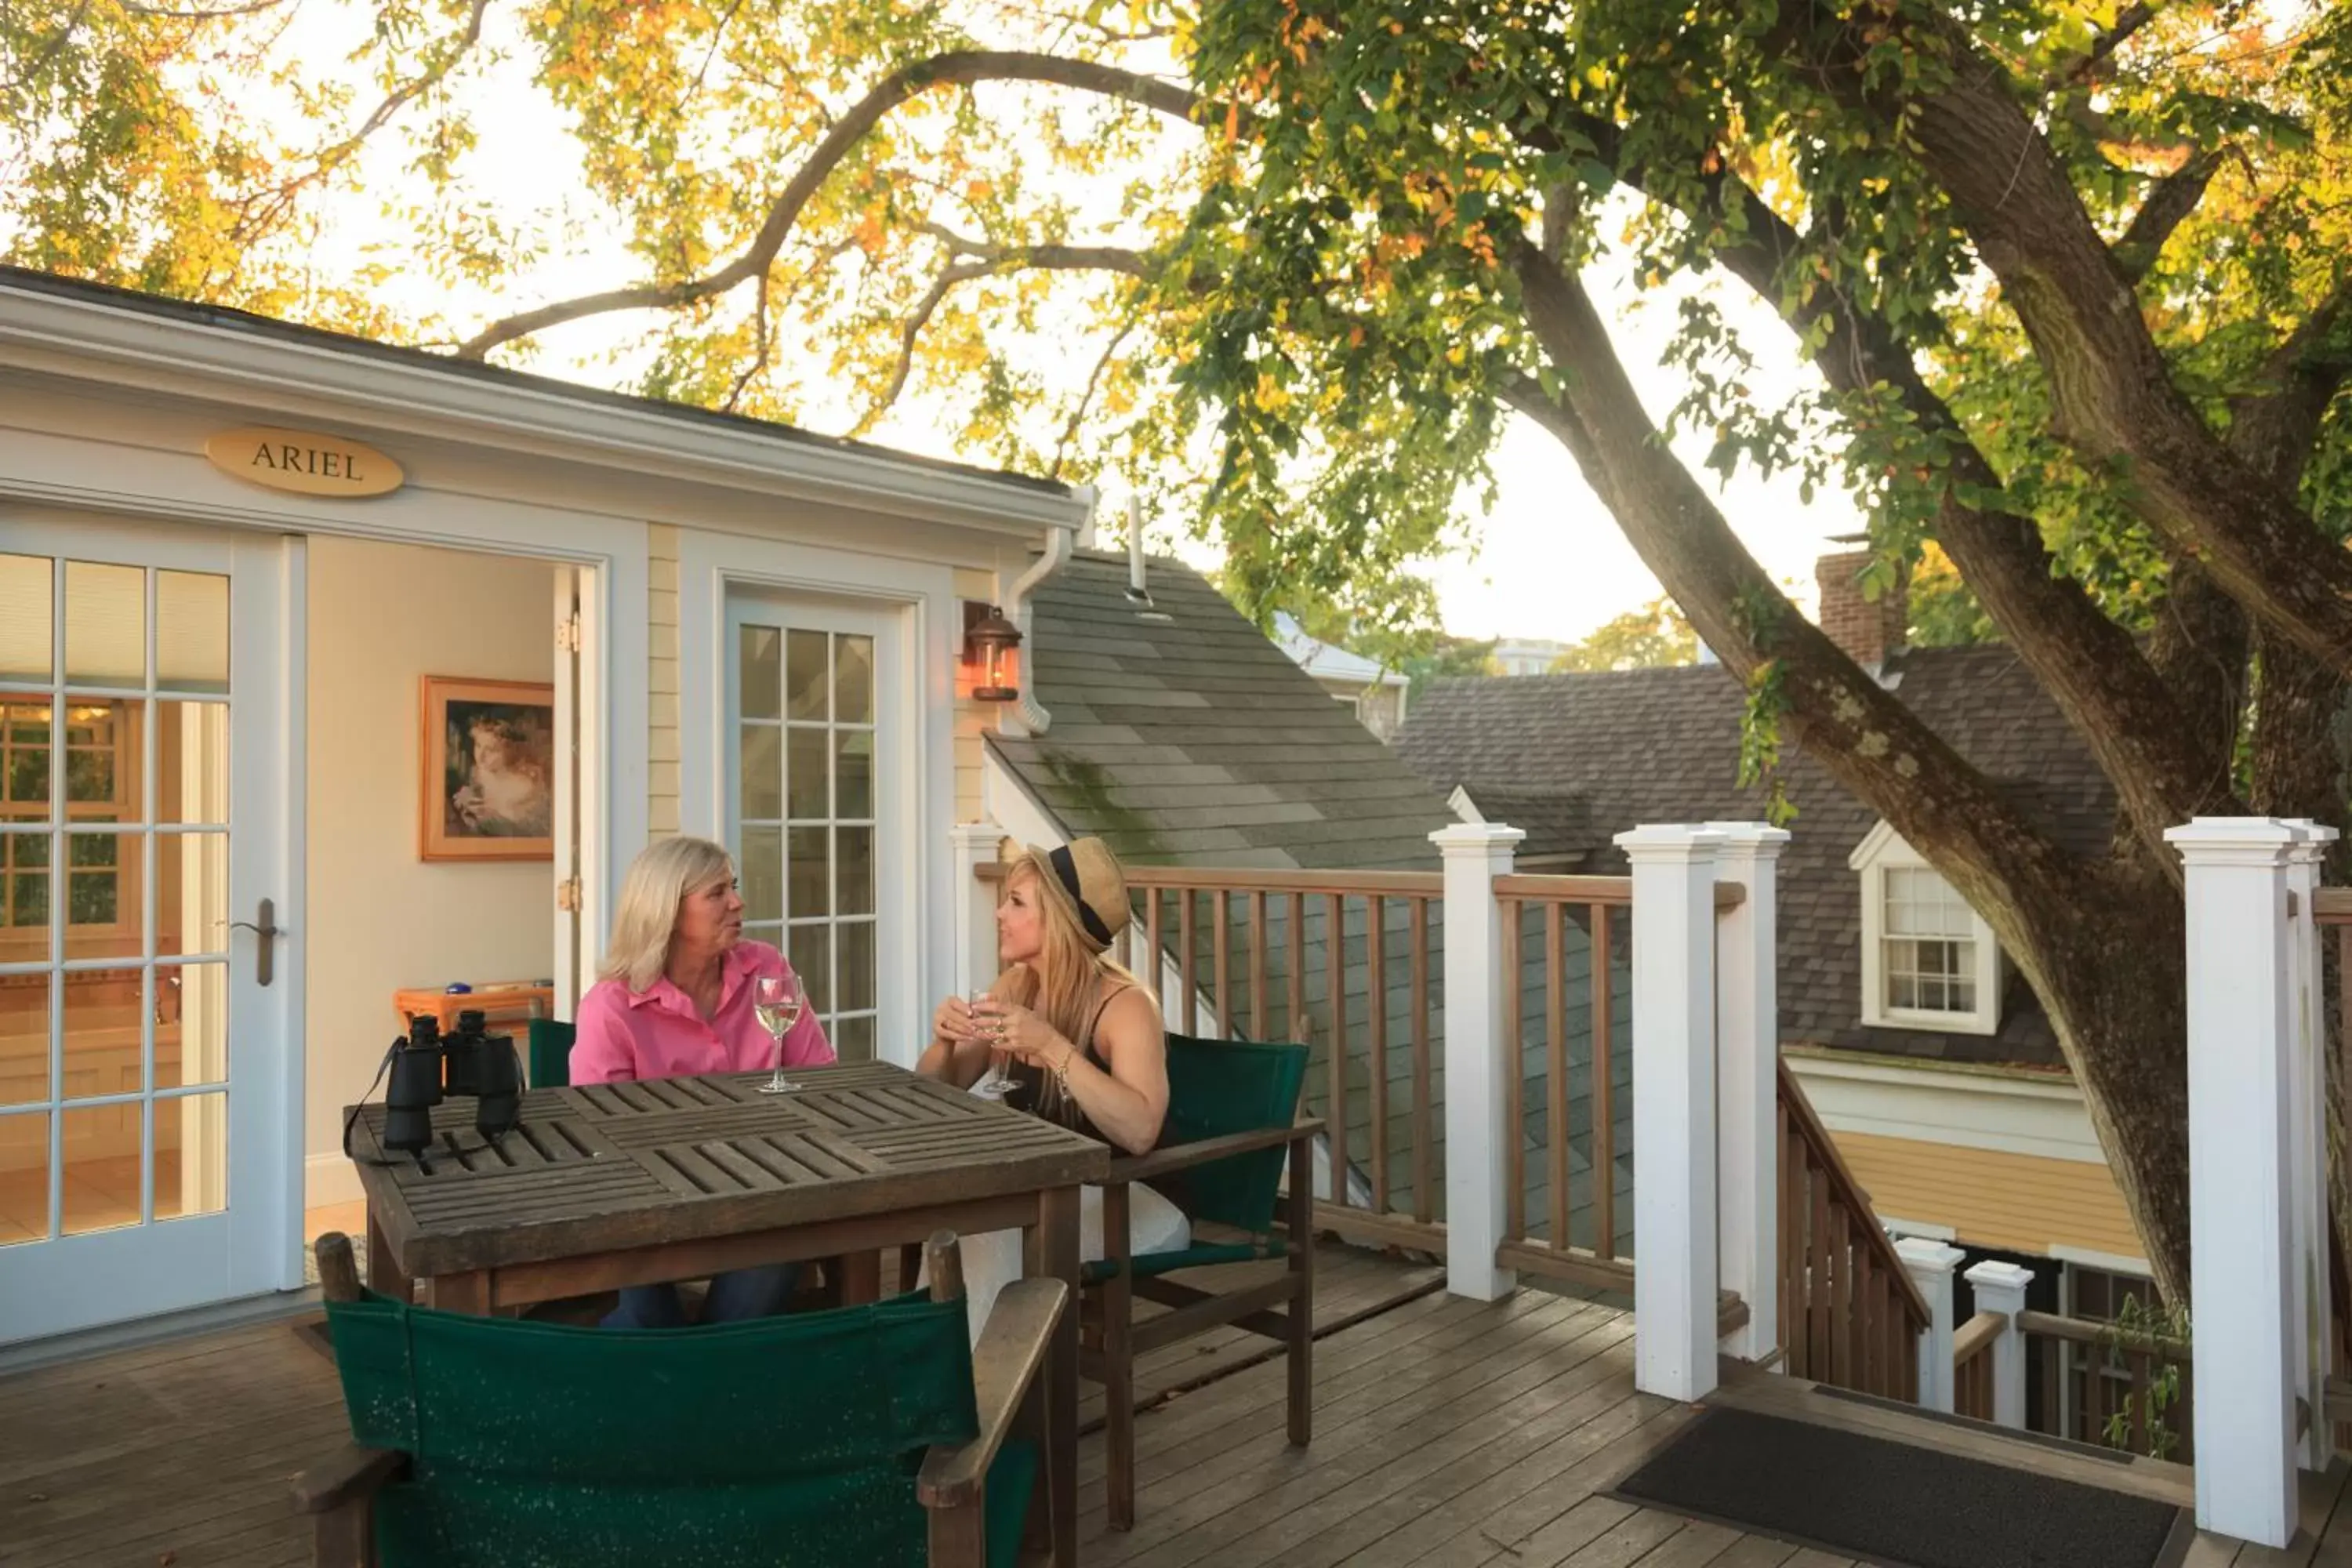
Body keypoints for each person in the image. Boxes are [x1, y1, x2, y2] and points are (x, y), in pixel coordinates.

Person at [917, 836, 1189, 1336]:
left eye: (1016, 902)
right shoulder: (1016, 986)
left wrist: (1051, 1047)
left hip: (1128, 1203)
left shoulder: (1126, 1007)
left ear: (1059, 923)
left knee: (988, 1233)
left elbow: (1142, 1129)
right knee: (957, 1223)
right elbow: (937, 1089)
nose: (999, 913)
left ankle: (973, 1395)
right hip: (1048, 1196)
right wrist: (945, 1043)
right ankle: (944, 1378)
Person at [572, 835, 833, 1327]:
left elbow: (819, 1079)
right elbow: (600, 1137)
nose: (737, 902)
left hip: (764, 1189)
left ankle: (702, 1374)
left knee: (784, 1241)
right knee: (644, 1320)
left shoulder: (767, 970)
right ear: (667, 911)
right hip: (652, 1210)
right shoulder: (611, 1007)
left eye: (732, 887)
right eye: (717, 893)